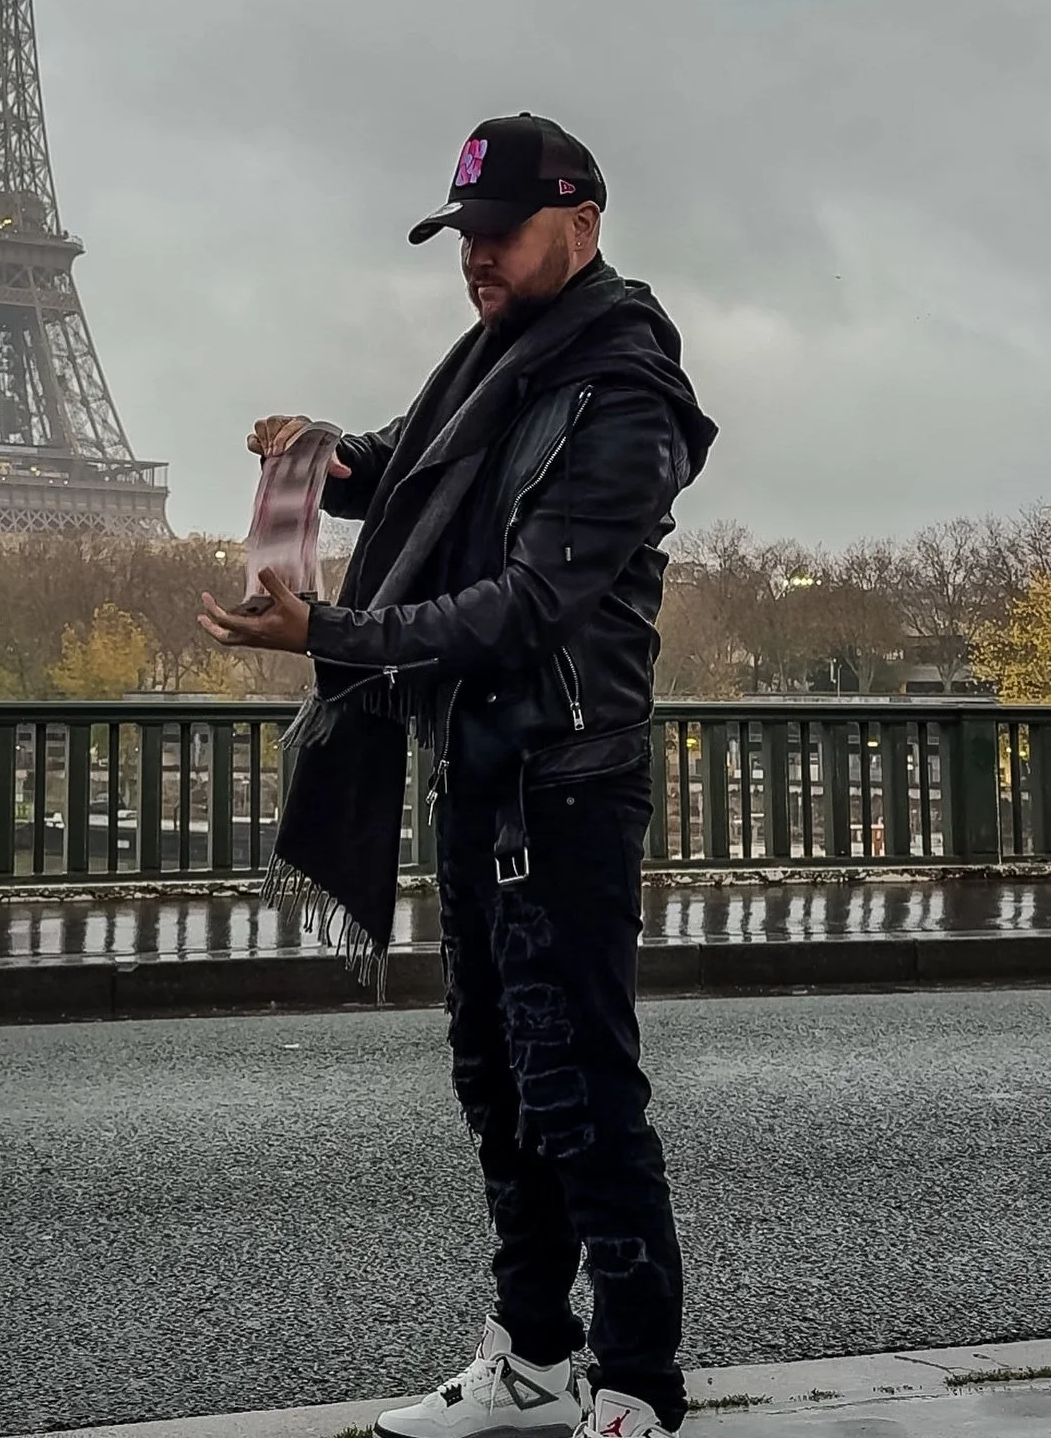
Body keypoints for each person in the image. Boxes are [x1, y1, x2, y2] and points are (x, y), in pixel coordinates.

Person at [200, 113, 717, 1438]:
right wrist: (329, 455)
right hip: (482, 774)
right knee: (495, 1075)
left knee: (581, 1083)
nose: (475, 261)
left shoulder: (623, 396)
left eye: (498, 235)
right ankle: (536, 1354)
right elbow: (417, 469)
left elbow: (522, 609)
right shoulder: (504, 366)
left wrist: (330, 635)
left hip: (566, 782)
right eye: (463, 239)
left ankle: (642, 1377)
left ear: (584, 221)